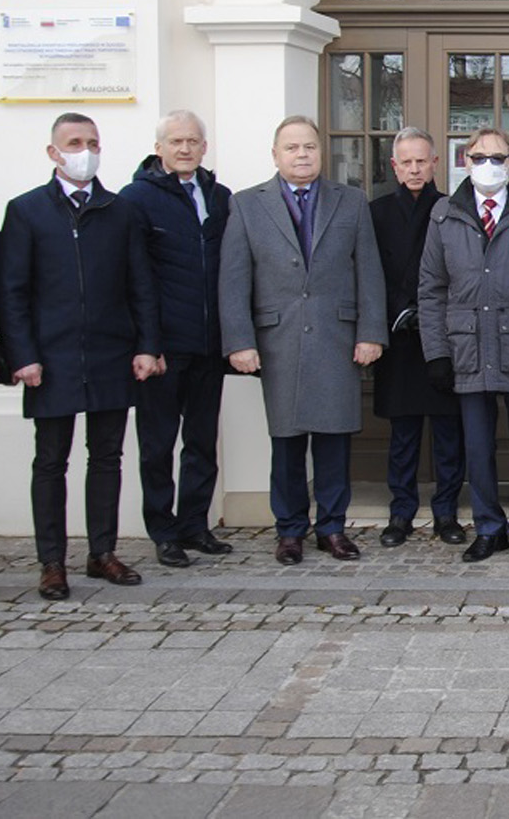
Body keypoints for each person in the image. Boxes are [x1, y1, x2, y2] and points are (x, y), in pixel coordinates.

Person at [0, 113, 163, 600]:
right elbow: (11, 291)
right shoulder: (26, 210)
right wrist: (22, 354)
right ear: (53, 152)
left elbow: (141, 284)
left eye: (92, 142)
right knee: (50, 461)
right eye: (74, 143)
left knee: (107, 457)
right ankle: (51, 561)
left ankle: (102, 552)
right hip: (51, 358)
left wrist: (147, 345)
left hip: (111, 352)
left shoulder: (120, 210)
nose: (84, 151)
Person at [220, 115, 386, 566]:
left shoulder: (350, 201)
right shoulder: (247, 205)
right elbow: (233, 280)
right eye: (292, 147)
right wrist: (240, 341)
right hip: (278, 341)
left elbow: (368, 271)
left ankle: (332, 528)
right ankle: (290, 530)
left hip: (337, 338)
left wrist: (371, 333)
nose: (302, 154)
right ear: (275, 155)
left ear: (320, 151)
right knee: (287, 442)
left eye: (309, 146)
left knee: (334, 441)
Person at [419, 128, 509, 563]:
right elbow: (431, 289)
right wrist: (436, 353)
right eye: (480, 157)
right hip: (467, 347)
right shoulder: (444, 214)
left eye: (498, 157)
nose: (489, 165)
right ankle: (488, 527)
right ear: (465, 161)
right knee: (477, 447)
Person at [121, 110, 234, 570]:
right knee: (157, 444)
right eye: (176, 141)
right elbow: (134, 276)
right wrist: (148, 344)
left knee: (202, 441)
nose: (185, 148)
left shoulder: (220, 196)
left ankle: (194, 524)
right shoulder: (136, 199)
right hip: (163, 346)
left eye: (193, 141)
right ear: (159, 148)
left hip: (209, 344)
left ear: (204, 147)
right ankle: (163, 532)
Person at [369, 128, 465, 548]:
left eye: (421, 161)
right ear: (394, 166)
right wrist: (398, 309)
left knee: (448, 432)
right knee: (403, 434)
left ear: (434, 164)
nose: (413, 169)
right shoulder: (376, 212)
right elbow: (369, 271)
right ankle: (401, 511)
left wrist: (427, 310)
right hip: (398, 336)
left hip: (443, 336)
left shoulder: (452, 209)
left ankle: (446, 511)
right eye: (405, 162)